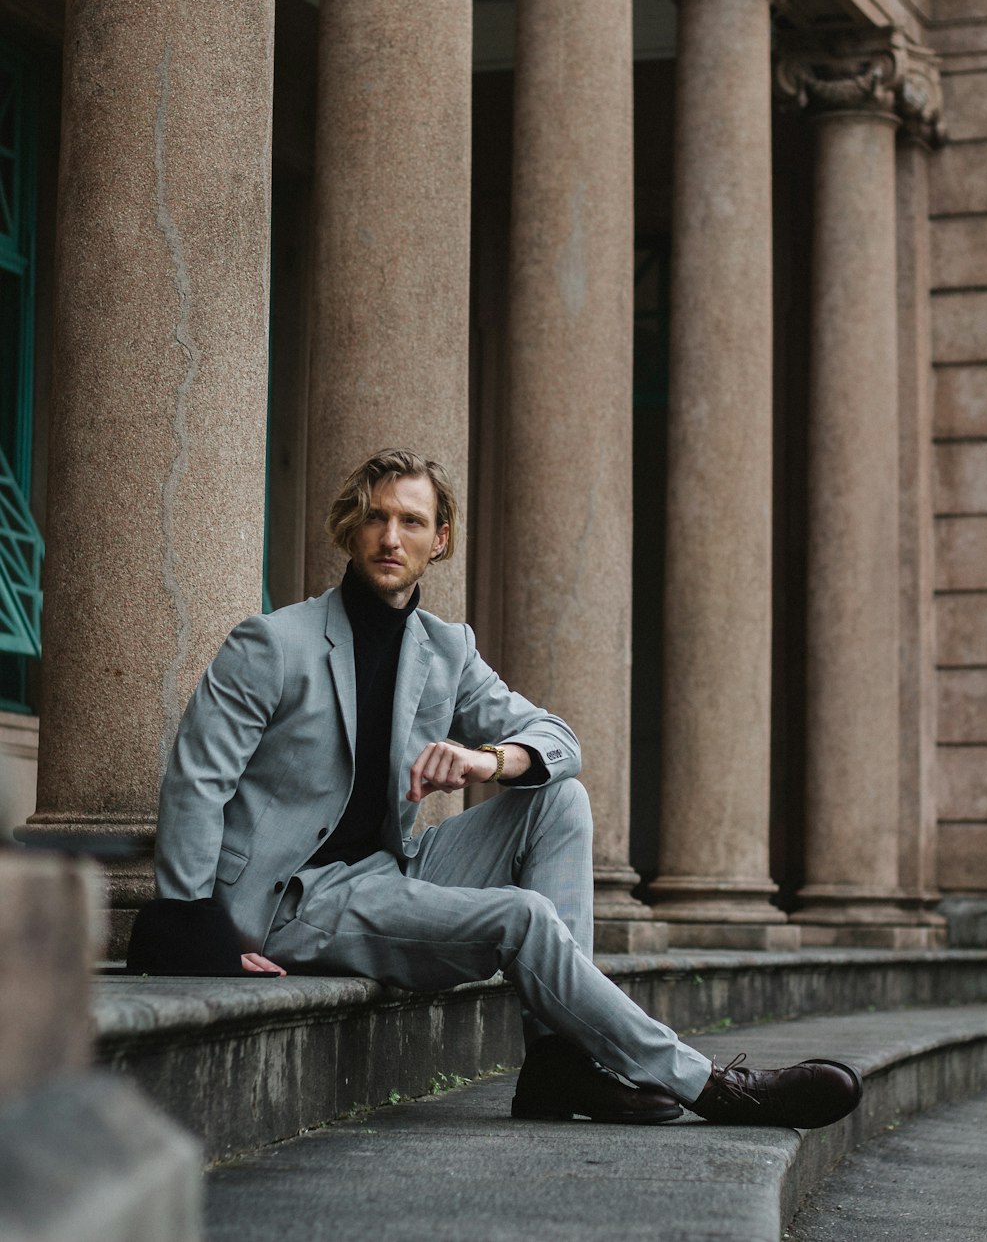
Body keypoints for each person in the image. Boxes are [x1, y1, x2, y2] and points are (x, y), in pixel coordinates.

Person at [155, 448, 862, 1128]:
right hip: (298, 899)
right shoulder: (275, 644)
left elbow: (560, 740)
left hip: (389, 869)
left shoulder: (445, 649)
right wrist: (196, 928)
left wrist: (486, 762)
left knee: (560, 797)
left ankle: (556, 1058)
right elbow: (197, 779)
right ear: (351, 528)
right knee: (521, 917)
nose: (390, 537)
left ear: (441, 539)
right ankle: (705, 1083)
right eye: (376, 518)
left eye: (411, 521)